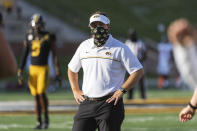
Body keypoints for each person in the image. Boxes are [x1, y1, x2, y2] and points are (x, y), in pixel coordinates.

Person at [68, 11, 144, 131]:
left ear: (108, 26)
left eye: (101, 24)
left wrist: (122, 90)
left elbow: (138, 71)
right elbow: (72, 69)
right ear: (90, 27)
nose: (97, 28)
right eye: (94, 25)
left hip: (110, 104)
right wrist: (75, 90)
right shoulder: (84, 46)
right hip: (86, 103)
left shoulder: (120, 48)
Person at [17, 13, 61, 129]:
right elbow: (25, 53)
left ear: (42, 25)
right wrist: (20, 70)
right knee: (35, 95)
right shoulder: (28, 36)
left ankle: (46, 119)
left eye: (38, 25)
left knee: (41, 93)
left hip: (43, 69)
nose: (36, 27)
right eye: (35, 25)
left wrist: (57, 72)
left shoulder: (48, 36)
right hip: (32, 69)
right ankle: (39, 121)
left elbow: (55, 55)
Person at [167, 18, 197, 122]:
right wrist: (192, 107)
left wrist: (191, 107)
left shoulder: (185, 46)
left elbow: (177, 31)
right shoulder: (182, 46)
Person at [125, 29, 147, 99]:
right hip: (130, 64)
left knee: (141, 81)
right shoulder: (127, 43)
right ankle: (130, 97)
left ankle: (143, 97)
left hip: (139, 63)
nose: (132, 36)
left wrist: (141, 60)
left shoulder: (140, 43)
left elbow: (145, 53)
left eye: (133, 35)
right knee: (130, 81)